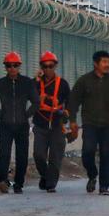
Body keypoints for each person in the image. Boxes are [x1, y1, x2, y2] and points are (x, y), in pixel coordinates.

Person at [69, 50, 109, 195]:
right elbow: (73, 101)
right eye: (104, 62)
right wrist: (72, 120)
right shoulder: (84, 81)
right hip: (90, 125)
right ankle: (92, 174)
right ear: (96, 63)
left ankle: (104, 187)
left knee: (106, 154)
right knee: (87, 152)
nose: (107, 65)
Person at [0, 51, 39, 194]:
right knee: (4, 154)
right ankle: (3, 180)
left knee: (22, 155)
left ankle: (18, 183)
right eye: (9, 66)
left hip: (22, 125)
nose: (12, 68)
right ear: (5, 67)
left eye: (15, 65)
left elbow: (36, 101)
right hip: (5, 125)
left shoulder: (27, 83)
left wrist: (26, 115)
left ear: (19, 67)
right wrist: (2, 116)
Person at [32, 51, 70, 193]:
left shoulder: (63, 84)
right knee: (39, 155)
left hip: (56, 125)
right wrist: (35, 79)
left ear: (55, 66)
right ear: (41, 67)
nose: (48, 69)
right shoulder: (36, 83)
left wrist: (68, 116)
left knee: (55, 156)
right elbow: (27, 93)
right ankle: (45, 176)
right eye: (45, 66)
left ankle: (51, 184)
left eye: (51, 66)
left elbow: (70, 102)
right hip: (40, 125)